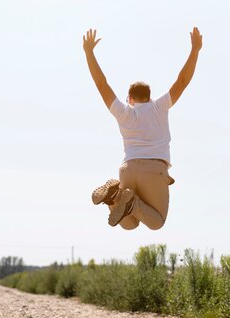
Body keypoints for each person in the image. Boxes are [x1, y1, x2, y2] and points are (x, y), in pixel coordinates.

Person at [83, 27, 203, 230]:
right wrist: (195, 50)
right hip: (154, 170)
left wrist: (89, 53)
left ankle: (115, 197)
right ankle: (127, 200)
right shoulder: (159, 106)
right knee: (156, 222)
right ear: (150, 96)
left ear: (129, 99)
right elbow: (182, 81)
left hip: (128, 169)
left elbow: (101, 84)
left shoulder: (124, 112)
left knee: (129, 224)